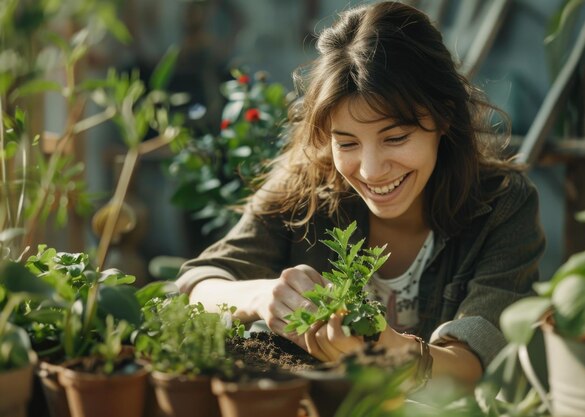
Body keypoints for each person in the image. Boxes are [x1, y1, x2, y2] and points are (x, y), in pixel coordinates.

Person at [176, 1, 545, 388]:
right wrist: (263, 296)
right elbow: (198, 285)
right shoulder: (305, 184)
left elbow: (472, 363)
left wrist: (393, 352)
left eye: (396, 137)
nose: (370, 170)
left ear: (444, 116)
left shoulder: (502, 203)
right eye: (347, 143)